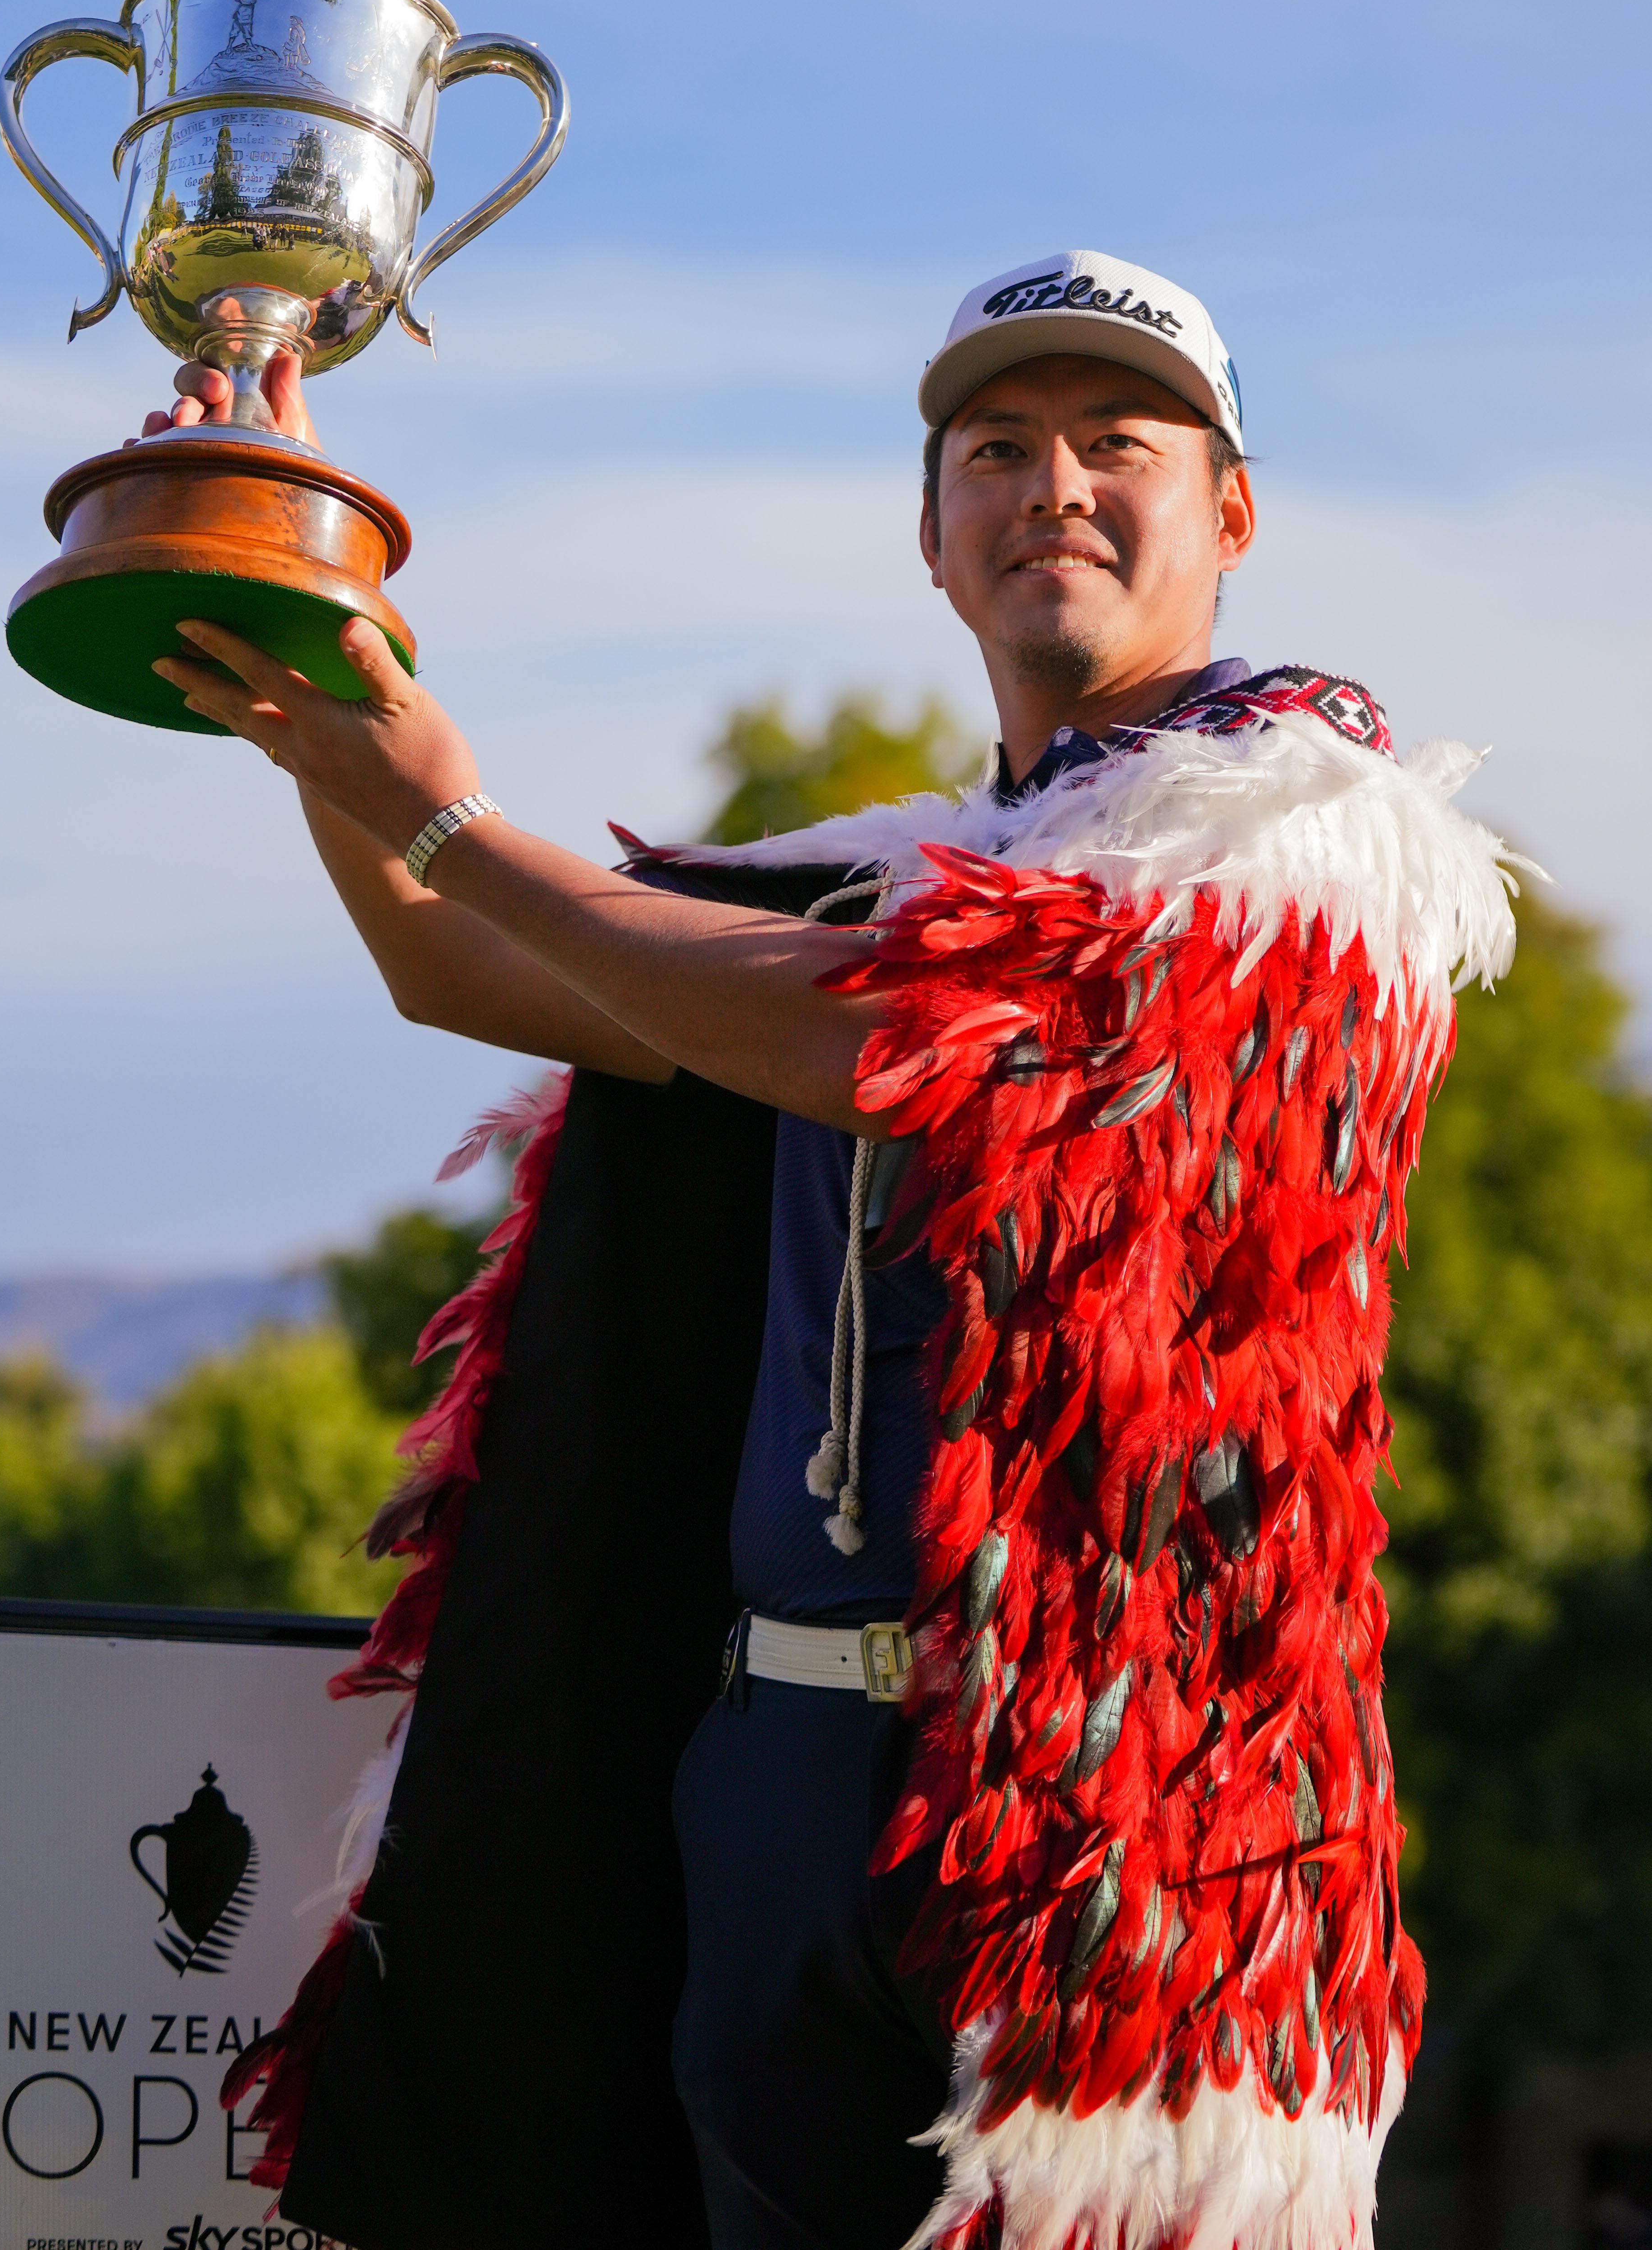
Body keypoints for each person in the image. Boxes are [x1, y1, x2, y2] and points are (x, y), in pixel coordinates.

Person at [145, 250, 1516, 2250]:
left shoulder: (1306, 835)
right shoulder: (896, 878)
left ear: (1231, 514)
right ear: (935, 542)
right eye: (996, 449)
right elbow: (464, 965)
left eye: (1116, 443)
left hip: (1128, 1809)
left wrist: (450, 818)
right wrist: (301, 609)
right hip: (777, 1765)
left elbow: (893, 1042)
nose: (1052, 483)